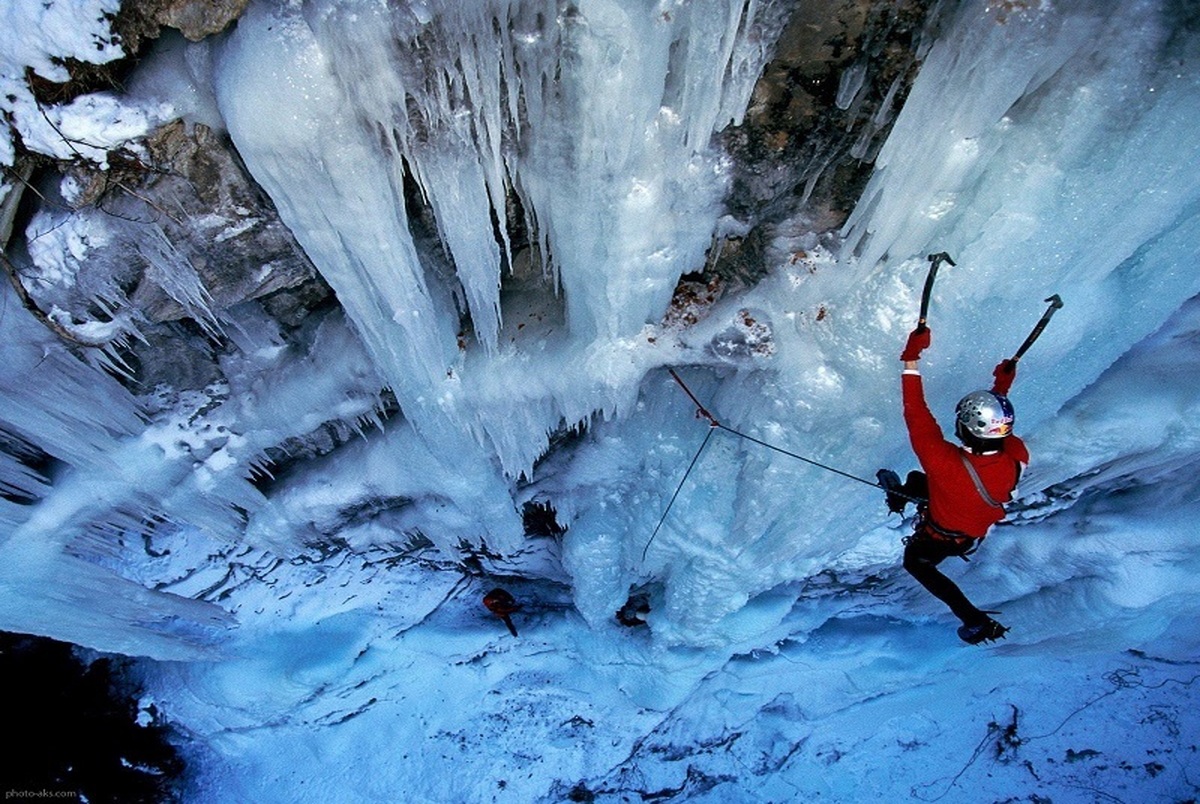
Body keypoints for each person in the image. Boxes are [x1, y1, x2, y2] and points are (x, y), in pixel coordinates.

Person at [878, 326, 1029, 644]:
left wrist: (911, 357)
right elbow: (994, 431)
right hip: (964, 530)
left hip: (940, 532)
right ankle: (898, 496)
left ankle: (973, 618)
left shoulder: (942, 461)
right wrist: (1001, 388)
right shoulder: (1017, 455)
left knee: (915, 562)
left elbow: (916, 411)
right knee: (921, 482)